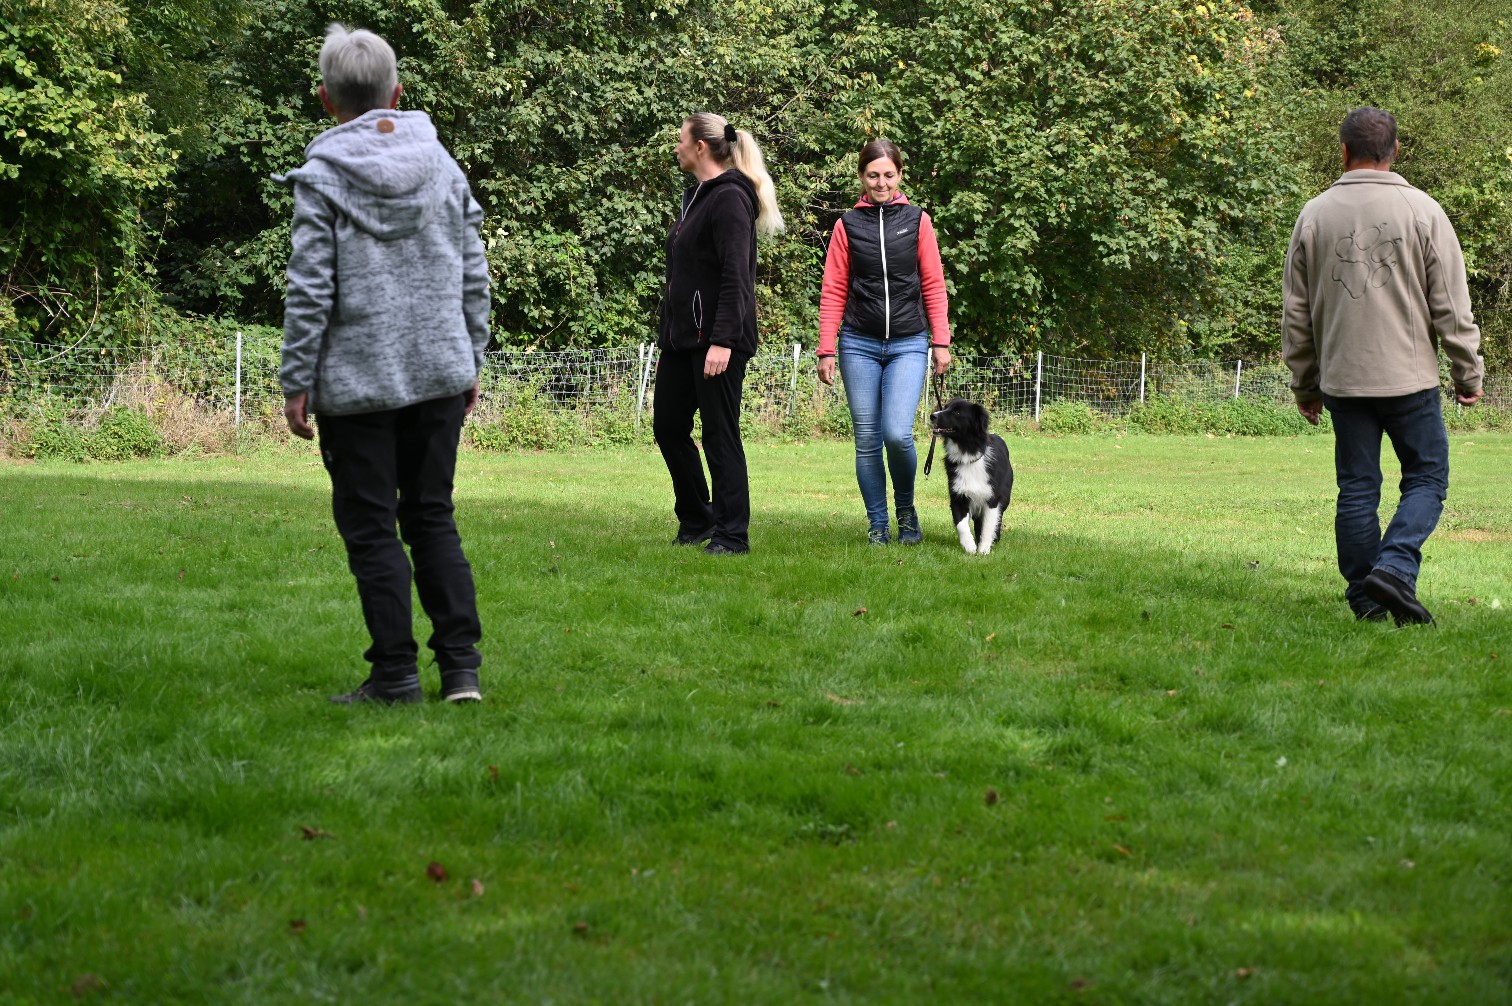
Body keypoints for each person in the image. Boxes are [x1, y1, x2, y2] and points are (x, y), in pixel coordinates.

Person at [278, 24, 490, 702]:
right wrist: (471, 356)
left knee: (372, 530)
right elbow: (474, 273)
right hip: (437, 374)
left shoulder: (321, 178)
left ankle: (395, 675)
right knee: (431, 516)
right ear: (397, 94)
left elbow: (310, 287)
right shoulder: (444, 166)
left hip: (355, 386)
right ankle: (460, 671)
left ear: (325, 100)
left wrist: (296, 379)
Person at [1283, 107, 1484, 625]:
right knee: (1427, 476)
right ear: (1394, 151)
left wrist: (1306, 384)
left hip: (1343, 381)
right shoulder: (1423, 210)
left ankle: (1366, 599)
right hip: (1408, 379)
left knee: (1357, 487)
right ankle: (1393, 569)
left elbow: (1296, 314)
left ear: (1343, 152)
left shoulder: (1314, 215)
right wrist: (1467, 372)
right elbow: (1451, 305)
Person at [654, 112, 784, 555]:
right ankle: (697, 518)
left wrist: (723, 340)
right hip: (681, 340)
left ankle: (732, 535)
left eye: (680, 140)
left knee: (719, 434)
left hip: (717, 340)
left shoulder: (729, 197)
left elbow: (736, 276)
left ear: (700, 147)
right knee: (668, 426)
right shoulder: (695, 197)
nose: (676, 148)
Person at [816, 139, 952, 545]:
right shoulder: (846, 225)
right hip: (858, 343)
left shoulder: (917, 221)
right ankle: (878, 523)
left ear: (900, 175)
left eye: (888, 175)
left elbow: (933, 283)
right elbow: (833, 288)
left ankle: (906, 511)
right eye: (873, 175)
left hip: (909, 342)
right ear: (862, 176)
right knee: (867, 440)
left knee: (897, 434)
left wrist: (941, 341)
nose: (881, 183)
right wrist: (826, 347)